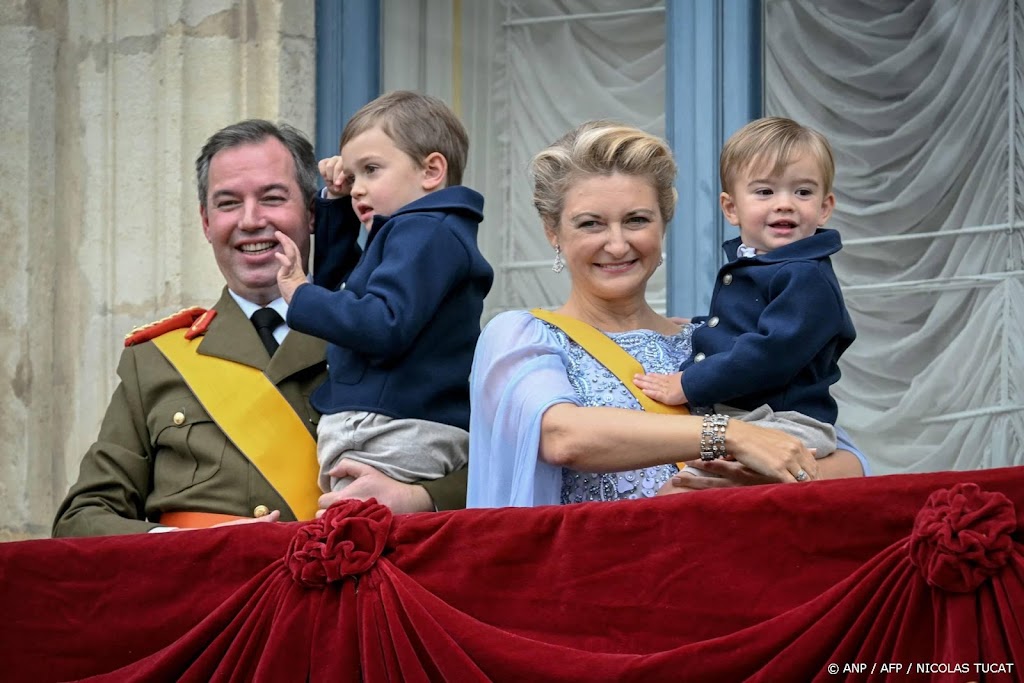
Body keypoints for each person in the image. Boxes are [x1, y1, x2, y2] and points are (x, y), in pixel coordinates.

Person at [53, 119, 466, 537]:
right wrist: (190, 547)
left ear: (311, 213)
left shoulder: (391, 325)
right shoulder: (156, 360)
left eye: (272, 198)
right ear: (206, 222)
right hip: (211, 580)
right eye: (228, 203)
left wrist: (421, 498)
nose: (250, 221)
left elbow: (491, 467)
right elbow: (81, 520)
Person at [466, 120, 867, 508]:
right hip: (599, 554)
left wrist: (757, 480)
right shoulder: (522, 336)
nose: (617, 244)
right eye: (591, 224)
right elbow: (562, 437)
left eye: (637, 220)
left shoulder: (706, 341)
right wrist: (731, 435)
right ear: (553, 232)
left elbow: (849, 463)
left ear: (663, 226)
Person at [274, 91, 493, 495]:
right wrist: (335, 203)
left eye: (371, 170)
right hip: (387, 426)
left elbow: (381, 323)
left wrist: (299, 293)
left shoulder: (426, 230)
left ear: (431, 171)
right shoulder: (420, 231)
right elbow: (339, 285)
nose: (357, 188)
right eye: (352, 176)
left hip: (391, 429)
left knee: (360, 532)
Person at [633, 117, 856, 466]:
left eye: (802, 192)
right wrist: (701, 325)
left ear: (824, 207)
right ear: (732, 208)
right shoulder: (766, 264)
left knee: (706, 481)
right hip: (750, 415)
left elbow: (771, 352)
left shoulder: (807, 276)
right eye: (765, 192)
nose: (784, 203)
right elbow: (753, 321)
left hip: (786, 422)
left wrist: (688, 384)